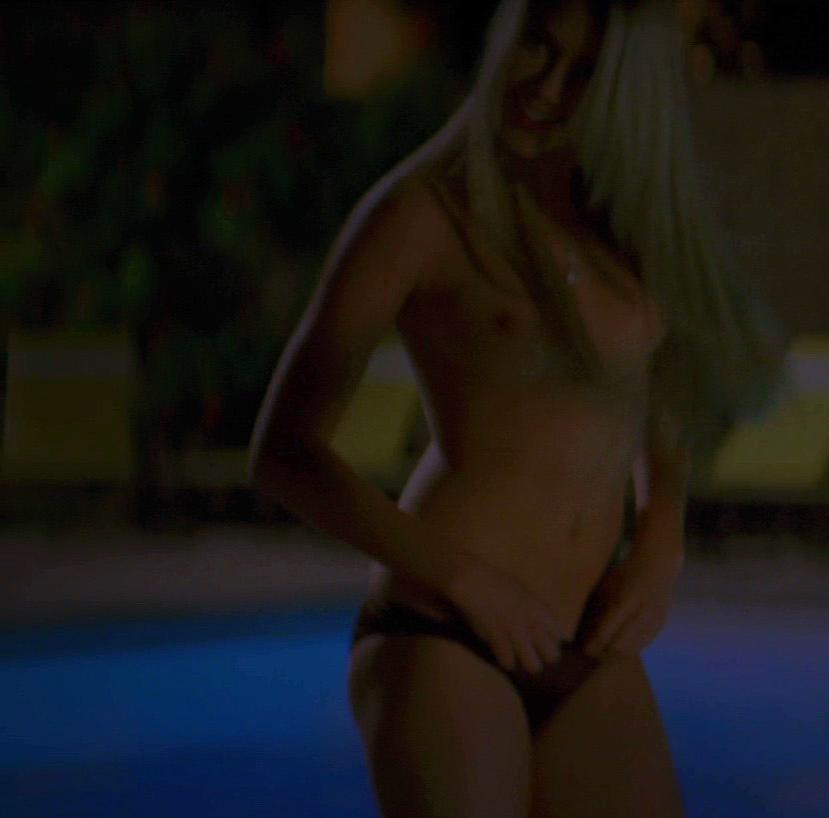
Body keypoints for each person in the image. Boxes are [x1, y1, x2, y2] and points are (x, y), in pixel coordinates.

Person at [249, 1, 784, 815]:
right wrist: (466, 581)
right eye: (538, 45)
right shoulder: (422, 214)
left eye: (584, 72)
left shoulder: (626, 219)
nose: (546, 86)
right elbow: (283, 453)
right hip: (447, 630)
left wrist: (662, 530)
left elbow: (665, 384)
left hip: (584, 640)